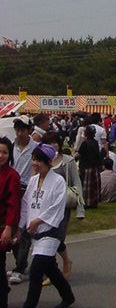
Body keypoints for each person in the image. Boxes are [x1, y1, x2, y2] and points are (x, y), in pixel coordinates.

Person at [19, 143, 75, 308]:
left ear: (48, 162)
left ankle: (29, 305)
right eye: (33, 159)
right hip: (35, 233)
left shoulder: (58, 181)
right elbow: (26, 204)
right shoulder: (33, 180)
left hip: (51, 232)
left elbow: (57, 207)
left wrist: (38, 221)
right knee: (50, 268)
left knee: (36, 271)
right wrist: (21, 227)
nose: (35, 163)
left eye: (38, 160)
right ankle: (68, 296)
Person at [42, 131, 85, 281]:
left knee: (57, 237)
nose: (53, 145)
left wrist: (80, 209)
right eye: (49, 143)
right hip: (45, 206)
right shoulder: (42, 161)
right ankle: (58, 265)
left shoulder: (68, 161)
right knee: (47, 237)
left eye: (55, 142)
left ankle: (57, 268)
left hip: (63, 206)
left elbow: (77, 183)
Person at [10, 116, 37, 285]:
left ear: (29, 130)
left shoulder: (35, 148)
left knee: (25, 229)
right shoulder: (11, 146)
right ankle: (20, 263)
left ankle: (19, 268)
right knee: (12, 227)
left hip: (27, 190)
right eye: (18, 130)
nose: (20, 133)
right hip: (11, 190)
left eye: (23, 130)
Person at [0, 136, 21, 307]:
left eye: (4, 152)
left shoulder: (12, 176)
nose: (1, 155)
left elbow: (13, 205)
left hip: (2, 226)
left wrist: (8, 228)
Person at [78, 125, 102, 209]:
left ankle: (86, 202)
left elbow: (79, 154)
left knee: (86, 186)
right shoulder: (95, 142)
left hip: (86, 166)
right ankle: (94, 202)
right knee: (94, 186)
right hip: (94, 167)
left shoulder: (85, 143)